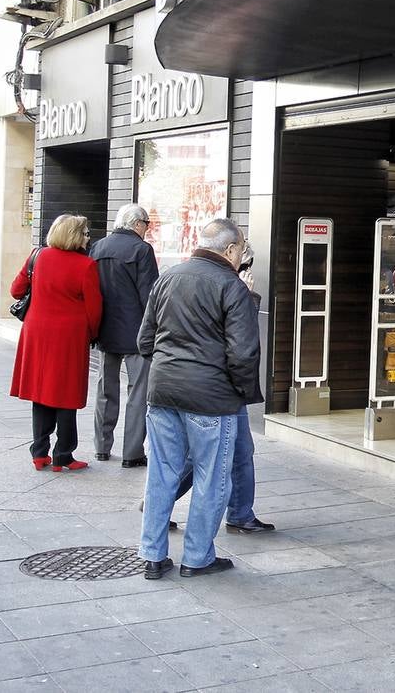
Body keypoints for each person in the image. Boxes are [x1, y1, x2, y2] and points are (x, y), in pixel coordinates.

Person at [137, 218, 261, 580]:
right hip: (210, 396)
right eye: (240, 250)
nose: (241, 257)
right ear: (230, 250)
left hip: (162, 391)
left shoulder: (169, 277)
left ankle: (153, 555)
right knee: (211, 478)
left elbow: (145, 341)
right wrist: (237, 390)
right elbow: (243, 354)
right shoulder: (231, 286)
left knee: (161, 474)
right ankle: (197, 557)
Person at [171, 241, 274, 534]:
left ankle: (240, 512)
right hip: (217, 384)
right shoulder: (228, 286)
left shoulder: (180, 276)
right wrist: (247, 296)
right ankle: (161, 501)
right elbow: (240, 340)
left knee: (239, 450)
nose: (245, 268)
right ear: (231, 253)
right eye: (244, 260)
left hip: (193, 380)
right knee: (208, 454)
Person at [10, 214, 102, 472]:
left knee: (40, 391)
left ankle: (39, 452)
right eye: (85, 234)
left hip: (37, 333)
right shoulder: (86, 266)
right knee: (66, 394)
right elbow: (94, 310)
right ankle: (63, 454)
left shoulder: (37, 256)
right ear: (75, 236)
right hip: (69, 336)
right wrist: (92, 334)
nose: (88, 238)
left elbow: (16, 290)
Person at [90, 204, 160, 467]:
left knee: (105, 391)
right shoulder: (142, 250)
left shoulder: (98, 248)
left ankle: (101, 447)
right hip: (136, 335)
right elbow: (149, 297)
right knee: (138, 393)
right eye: (147, 223)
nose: (147, 229)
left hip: (105, 332)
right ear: (138, 224)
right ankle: (132, 453)